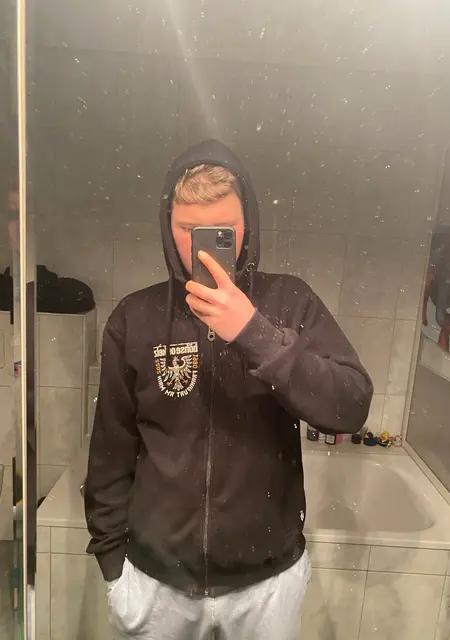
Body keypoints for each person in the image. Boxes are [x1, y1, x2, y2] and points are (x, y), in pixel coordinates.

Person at [84, 139, 373, 639]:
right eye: (187, 230)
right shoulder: (135, 318)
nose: (204, 247)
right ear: (166, 227)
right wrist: (114, 567)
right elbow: (111, 451)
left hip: (267, 586)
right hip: (155, 585)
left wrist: (255, 332)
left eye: (222, 230)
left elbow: (351, 405)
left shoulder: (290, 301)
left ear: (248, 226)